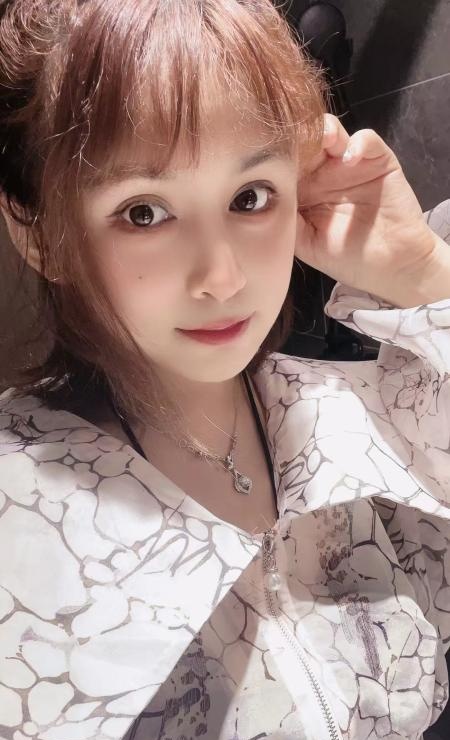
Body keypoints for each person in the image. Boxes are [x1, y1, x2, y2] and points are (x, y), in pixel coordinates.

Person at [0, 1, 449, 739]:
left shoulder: (348, 414)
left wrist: (423, 274)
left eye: (250, 197)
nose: (223, 277)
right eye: (144, 212)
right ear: (41, 234)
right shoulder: (20, 510)